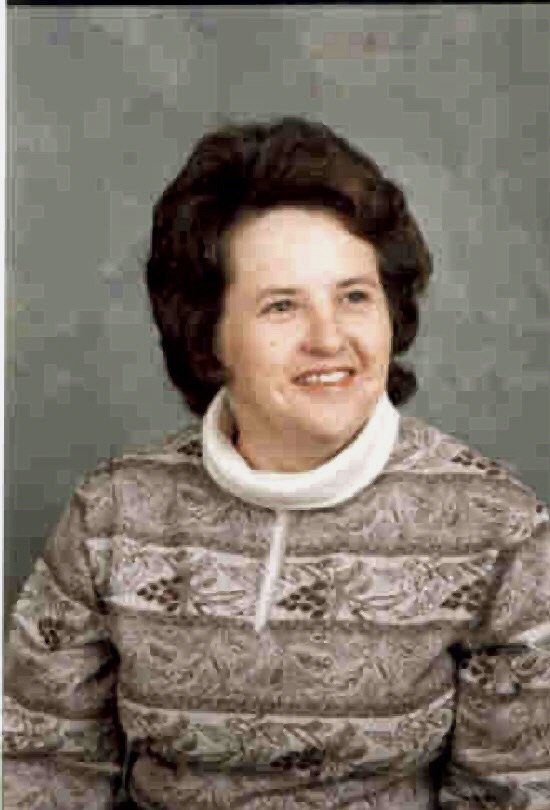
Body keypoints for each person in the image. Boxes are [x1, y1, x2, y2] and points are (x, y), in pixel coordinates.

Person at [4, 116, 549, 810]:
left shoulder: (499, 529)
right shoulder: (112, 513)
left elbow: (512, 795)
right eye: (282, 306)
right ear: (207, 335)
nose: (330, 338)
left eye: (354, 296)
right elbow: (44, 765)